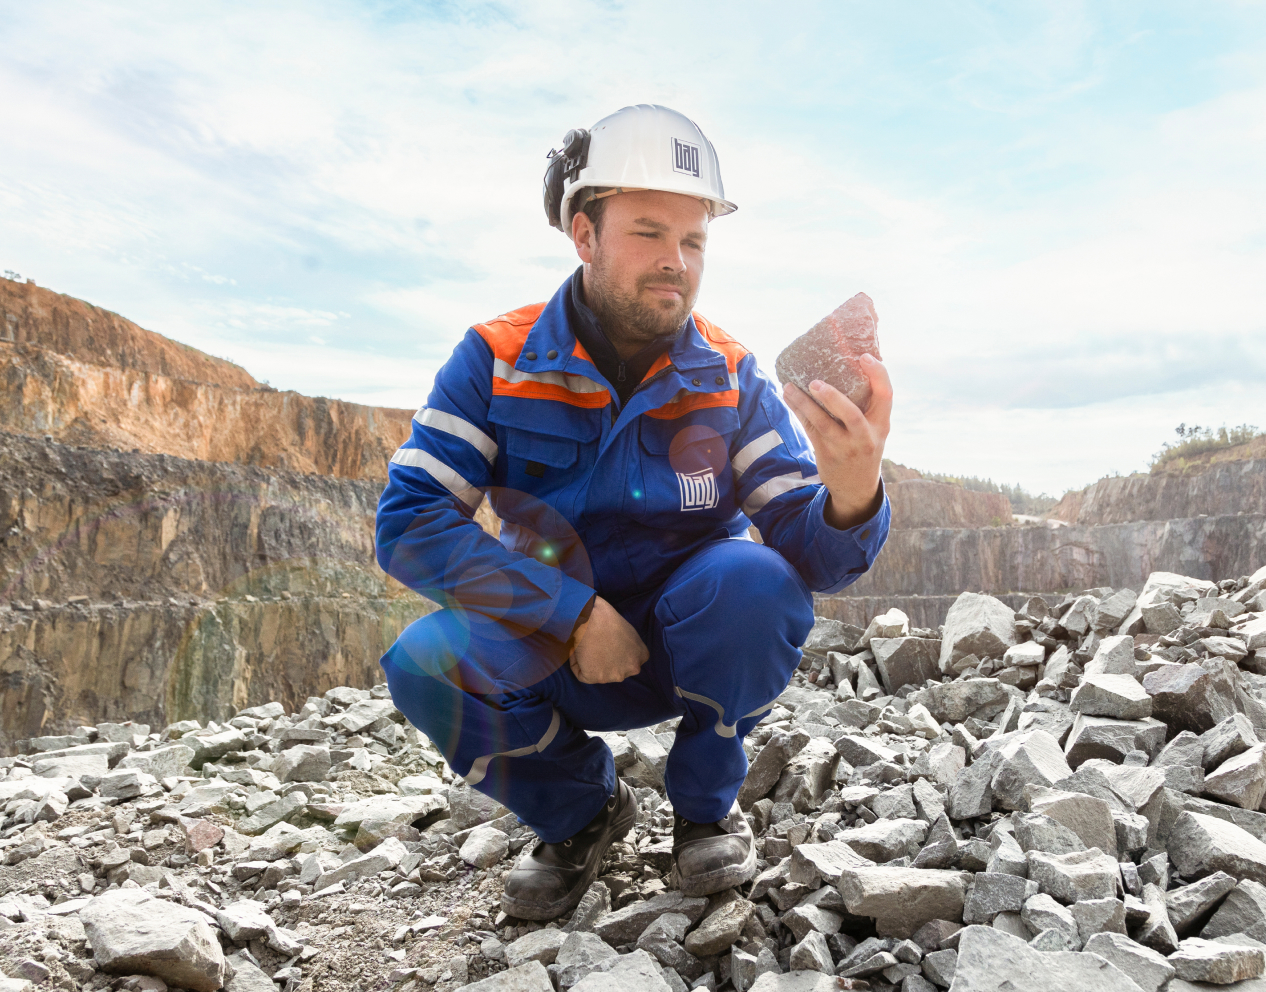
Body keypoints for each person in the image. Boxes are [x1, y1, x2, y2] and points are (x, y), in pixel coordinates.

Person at [376, 104, 892, 921]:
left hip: (691, 649)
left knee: (756, 578)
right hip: (558, 655)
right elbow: (408, 526)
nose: (675, 263)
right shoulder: (496, 357)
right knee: (423, 660)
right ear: (584, 235)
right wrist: (572, 616)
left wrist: (853, 491)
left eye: (693, 242)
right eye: (649, 234)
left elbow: (813, 558)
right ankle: (582, 815)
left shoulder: (728, 372)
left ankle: (702, 809)